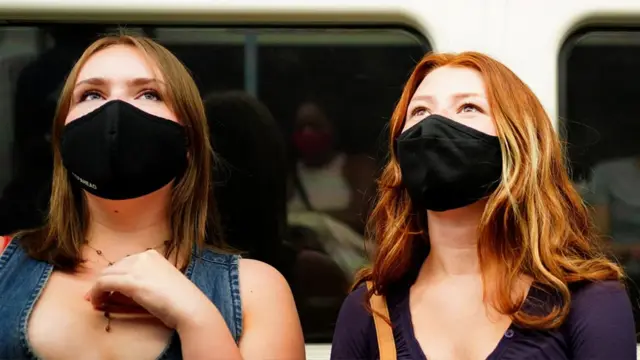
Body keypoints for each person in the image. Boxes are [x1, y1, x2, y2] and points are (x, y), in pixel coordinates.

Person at [0, 34, 304, 360]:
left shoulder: (256, 292)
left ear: (188, 143)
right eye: (91, 94)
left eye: (149, 94)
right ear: (63, 136)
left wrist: (197, 318)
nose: (114, 112)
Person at [330, 51, 636, 359]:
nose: (436, 125)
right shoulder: (369, 311)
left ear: (517, 143)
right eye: (421, 111)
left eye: (468, 107)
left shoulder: (590, 302)